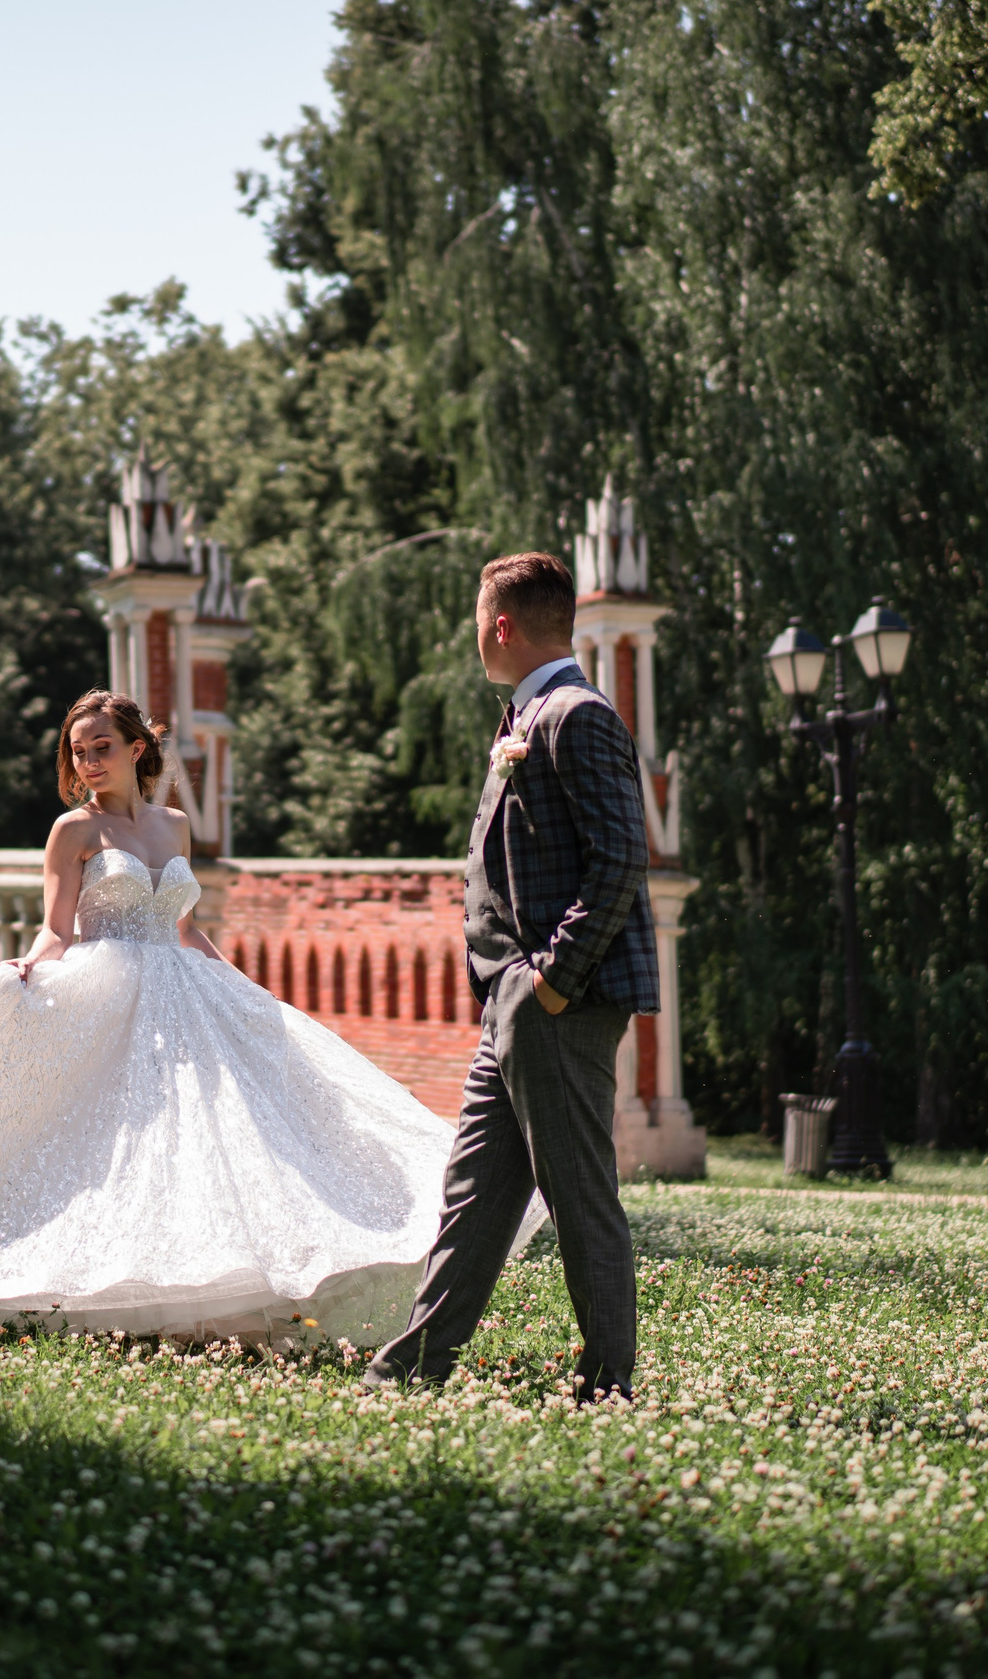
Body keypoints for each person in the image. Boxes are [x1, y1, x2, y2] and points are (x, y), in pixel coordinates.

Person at [0, 689, 534, 1341]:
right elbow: (57, 928)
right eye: (77, 751)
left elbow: (186, 922)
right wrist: (26, 969)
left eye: (101, 748)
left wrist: (238, 984)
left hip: (185, 988)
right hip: (107, 988)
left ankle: (226, 1286)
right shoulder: (71, 832)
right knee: (113, 1146)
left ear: (137, 748)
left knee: (219, 1139)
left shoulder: (174, 823)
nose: (88, 761)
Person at [364, 551, 658, 1403]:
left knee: (579, 1196)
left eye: (476, 618)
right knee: (474, 1194)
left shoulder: (575, 714)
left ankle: (610, 1383)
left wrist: (552, 981)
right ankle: (410, 1368)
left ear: (501, 624)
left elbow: (620, 864)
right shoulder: (523, 716)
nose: (473, 633)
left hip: (553, 1004)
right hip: (514, 1006)